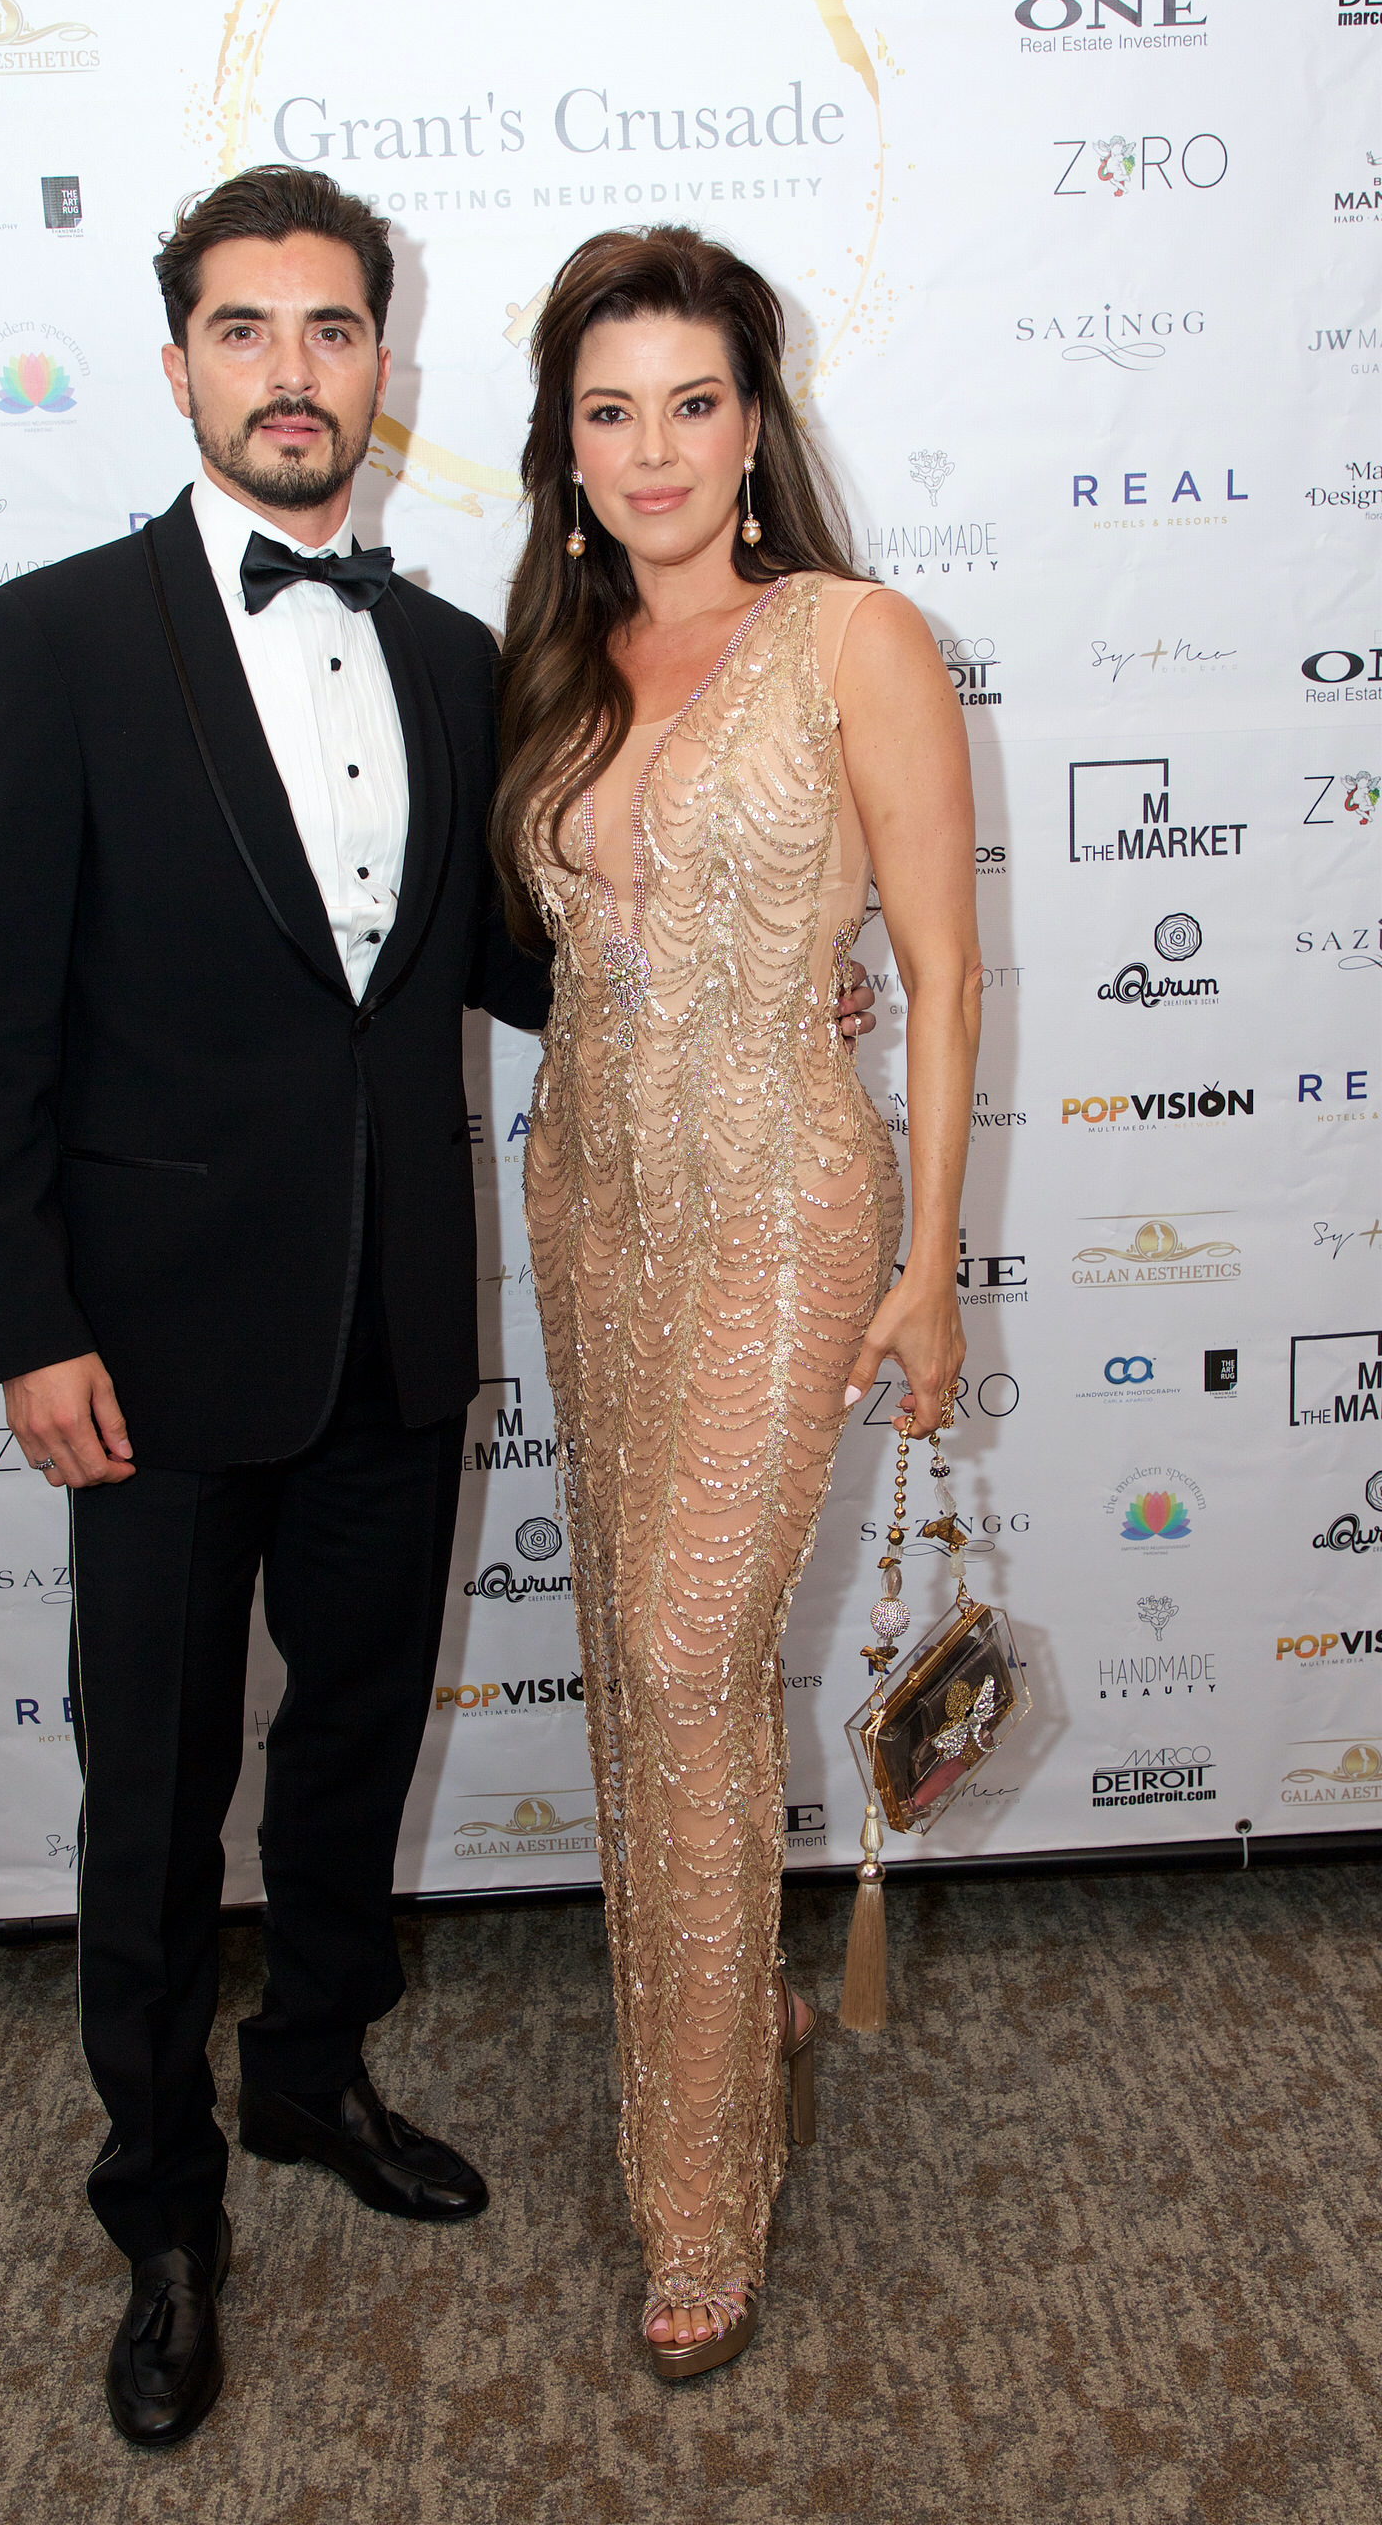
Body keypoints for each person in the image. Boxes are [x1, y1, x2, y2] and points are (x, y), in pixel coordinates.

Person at [0, 169, 879, 2448]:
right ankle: (158, 2207)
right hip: (143, 1352)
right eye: (244, 331)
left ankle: (308, 2081)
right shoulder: (49, 639)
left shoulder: (463, 659)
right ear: (180, 369)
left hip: (397, 1331)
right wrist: (23, 1320)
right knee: (155, 1799)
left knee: (351, 1745)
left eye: (330, 330)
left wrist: (764, 962)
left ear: (383, 366)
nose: (290, 370)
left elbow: (524, 959)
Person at [489, 227, 981, 2380]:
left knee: (693, 1663)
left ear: (757, 424)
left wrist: (930, 1258)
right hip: (590, 1206)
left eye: (693, 402)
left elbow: (946, 976)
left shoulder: (857, 639)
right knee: (632, 1654)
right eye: (611, 411)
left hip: (787, 1199)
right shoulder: (558, 662)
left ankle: (703, 2190)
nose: (654, 448)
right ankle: (732, 1981)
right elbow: (570, 951)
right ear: (565, 449)